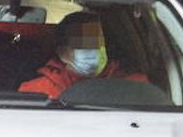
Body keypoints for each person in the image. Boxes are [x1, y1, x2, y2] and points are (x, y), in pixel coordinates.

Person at [19, 11, 147, 99]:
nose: (94, 50)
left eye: (98, 42)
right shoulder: (37, 92)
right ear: (63, 54)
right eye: (83, 44)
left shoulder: (134, 86)